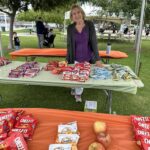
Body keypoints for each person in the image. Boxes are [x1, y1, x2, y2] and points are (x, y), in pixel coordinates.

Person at [67, 4, 103, 102]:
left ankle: (78, 94)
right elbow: (69, 45)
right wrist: (68, 59)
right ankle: (74, 88)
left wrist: (98, 59)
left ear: (82, 13)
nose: (76, 15)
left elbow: (94, 42)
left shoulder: (89, 25)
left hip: (87, 58)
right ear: (72, 17)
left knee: (82, 77)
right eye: (73, 14)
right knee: (74, 76)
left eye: (78, 12)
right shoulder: (70, 28)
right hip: (75, 58)